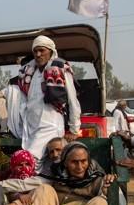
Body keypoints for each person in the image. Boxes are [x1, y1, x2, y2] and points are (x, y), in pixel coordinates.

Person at [4, 35, 81, 168]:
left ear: (50, 51)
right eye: (35, 51)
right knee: (40, 166)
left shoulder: (60, 67)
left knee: (28, 161)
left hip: (50, 125)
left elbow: (72, 100)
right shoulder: (28, 71)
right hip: (29, 127)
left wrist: (74, 129)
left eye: (42, 50)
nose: (38, 54)